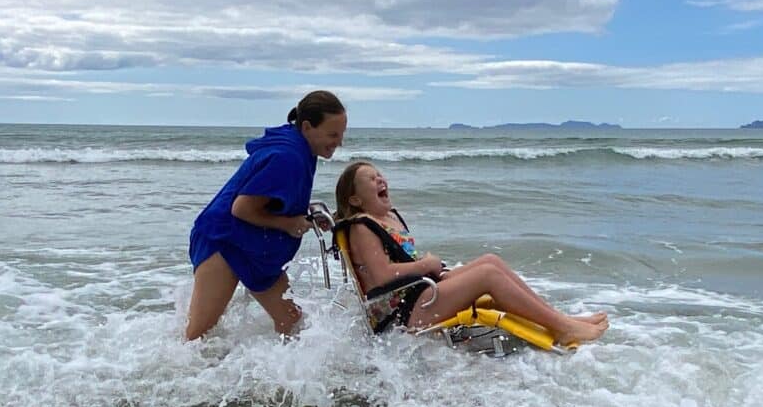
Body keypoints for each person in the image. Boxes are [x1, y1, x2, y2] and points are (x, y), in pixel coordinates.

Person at [334, 161, 609, 346]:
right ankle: (562, 328)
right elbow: (382, 276)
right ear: (355, 200)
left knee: (491, 260)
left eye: (380, 175)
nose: (380, 179)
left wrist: (432, 269)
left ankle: (560, 319)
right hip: (402, 315)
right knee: (487, 275)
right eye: (371, 179)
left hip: (419, 293)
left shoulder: (388, 217)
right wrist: (425, 265)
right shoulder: (361, 226)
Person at [185, 90, 347, 340]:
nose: (339, 141)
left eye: (342, 134)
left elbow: (276, 199)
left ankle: (280, 379)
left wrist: (308, 214)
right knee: (197, 335)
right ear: (307, 127)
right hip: (223, 241)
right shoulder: (288, 157)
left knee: (291, 321)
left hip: (253, 250)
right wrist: (288, 224)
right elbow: (241, 208)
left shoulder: (302, 147)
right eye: (333, 134)